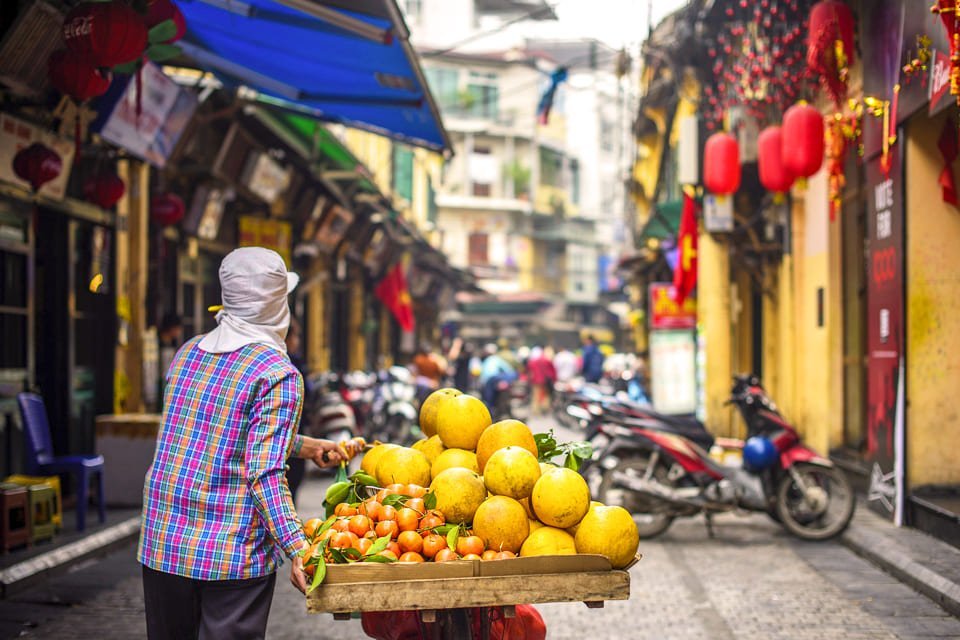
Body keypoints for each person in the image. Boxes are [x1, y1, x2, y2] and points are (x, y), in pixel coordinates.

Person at [139, 247, 356, 640]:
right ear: (278, 306)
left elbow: (214, 430)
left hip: (163, 543)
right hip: (230, 555)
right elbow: (264, 472)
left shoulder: (188, 353)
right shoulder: (277, 373)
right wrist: (297, 548)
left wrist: (302, 445)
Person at [285, 317, 307, 502]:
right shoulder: (285, 369)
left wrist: (311, 447)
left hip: (294, 436)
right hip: (294, 430)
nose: (297, 341)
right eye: (296, 336)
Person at [478, 342, 516, 412]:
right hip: (494, 379)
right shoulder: (496, 359)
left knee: (488, 400)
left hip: (487, 382)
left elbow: (481, 376)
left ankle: (490, 411)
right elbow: (509, 370)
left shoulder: (486, 360)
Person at [526, 346, 557, 416]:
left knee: (536, 396)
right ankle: (544, 409)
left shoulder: (532, 361)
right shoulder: (546, 361)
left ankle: (536, 411)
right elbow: (552, 371)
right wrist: (554, 379)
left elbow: (529, 370)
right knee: (546, 395)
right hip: (545, 381)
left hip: (535, 381)